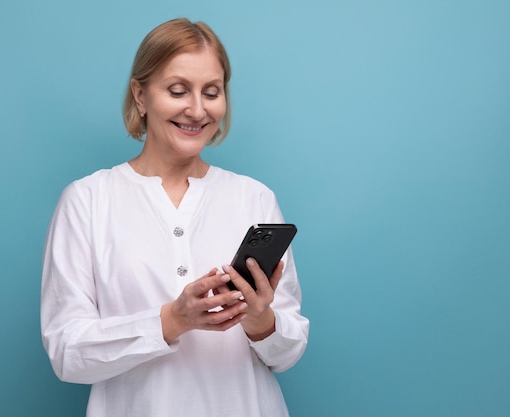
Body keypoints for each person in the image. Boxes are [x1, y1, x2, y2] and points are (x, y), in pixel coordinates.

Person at [41, 17, 310, 417]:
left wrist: (260, 320)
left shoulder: (253, 198)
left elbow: (288, 352)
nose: (198, 110)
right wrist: (170, 320)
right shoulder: (87, 201)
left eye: (212, 92)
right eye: (178, 90)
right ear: (141, 95)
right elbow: (67, 352)